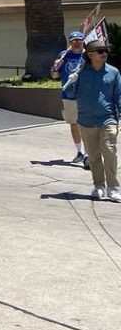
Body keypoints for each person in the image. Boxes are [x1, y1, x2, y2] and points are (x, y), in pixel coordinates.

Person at [72, 39, 121, 202]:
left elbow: (119, 96)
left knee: (110, 151)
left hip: (108, 119)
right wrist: (71, 81)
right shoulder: (81, 72)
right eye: (101, 52)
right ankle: (99, 185)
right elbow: (71, 94)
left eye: (106, 51)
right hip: (86, 120)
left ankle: (113, 188)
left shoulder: (113, 72)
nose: (104, 54)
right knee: (93, 156)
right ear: (91, 55)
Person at [51, 30, 88, 167]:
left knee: (85, 124)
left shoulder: (87, 55)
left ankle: (89, 155)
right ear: (70, 42)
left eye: (79, 41)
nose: (77, 43)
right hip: (68, 94)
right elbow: (54, 76)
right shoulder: (64, 55)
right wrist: (56, 67)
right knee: (74, 123)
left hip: (85, 95)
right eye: (74, 41)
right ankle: (80, 152)